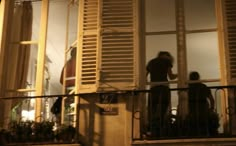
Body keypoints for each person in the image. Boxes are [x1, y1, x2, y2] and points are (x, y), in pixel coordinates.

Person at [146, 51, 177, 137]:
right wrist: (180, 74)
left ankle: (152, 130)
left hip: (153, 88)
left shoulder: (151, 62)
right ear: (166, 56)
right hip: (163, 88)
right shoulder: (166, 62)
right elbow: (171, 76)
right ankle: (161, 128)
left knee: (152, 109)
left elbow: (144, 75)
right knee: (163, 108)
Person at [188, 71, 216, 136]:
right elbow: (211, 99)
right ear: (198, 78)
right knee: (204, 128)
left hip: (193, 111)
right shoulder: (203, 87)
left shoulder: (188, 88)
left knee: (194, 130)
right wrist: (211, 109)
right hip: (203, 110)